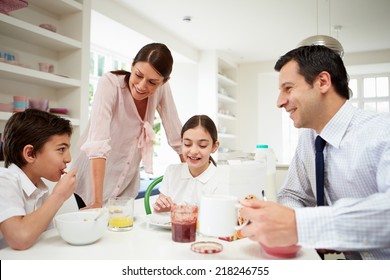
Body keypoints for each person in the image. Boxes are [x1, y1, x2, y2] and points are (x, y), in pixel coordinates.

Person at [239, 45, 390, 260]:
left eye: (288, 88)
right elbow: (292, 194)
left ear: (322, 82)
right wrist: (292, 223)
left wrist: (303, 226)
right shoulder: (309, 139)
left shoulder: (383, 131)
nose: (279, 102)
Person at [73, 43, 184, 209]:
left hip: (125, 182)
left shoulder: (162, 89)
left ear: (164, 82)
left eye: (152, 82)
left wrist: (196, 175)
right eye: (138, 75)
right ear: (132, 65)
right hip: (90, 183)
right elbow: (98, 142)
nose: (141, 86)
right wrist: (96, 201)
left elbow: (177, 137)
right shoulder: (110, 84)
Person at [0, 109, 77, 250]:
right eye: (61, 149)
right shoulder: (3, 179)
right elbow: (20, 238)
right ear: (30, 154)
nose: (68, 158)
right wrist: (59, 196)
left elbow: (42, 239)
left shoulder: (40, 189)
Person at [153, 115, 227, 212]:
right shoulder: (172, 172)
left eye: (202, 145)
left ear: (214, 147)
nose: (193, 151)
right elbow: (160, 212)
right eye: (187, 144)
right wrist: (161, 207)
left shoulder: (221, 180)